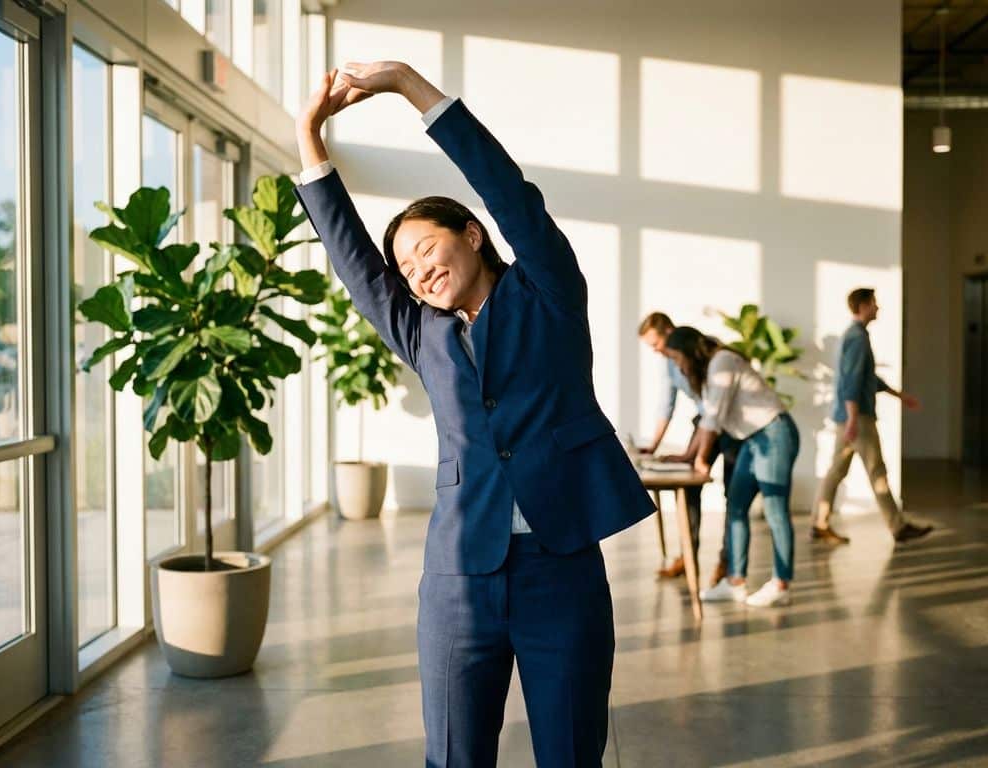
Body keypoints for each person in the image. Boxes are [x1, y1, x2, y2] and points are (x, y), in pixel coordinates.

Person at [295, 62, 655, 768]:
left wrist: (406, 85)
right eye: (405, 269)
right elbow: (350, 256)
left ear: (472, 235)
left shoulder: (547, 292)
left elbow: (508, 192)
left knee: (571, 755)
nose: (417, 271)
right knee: (455, 758)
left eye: (426, 248)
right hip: (458, 578)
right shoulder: (421, 333)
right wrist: (308, 136)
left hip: (562, 570)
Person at [665, 327, 799, 607]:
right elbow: (706, 419)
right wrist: (687, 456)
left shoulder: (722, 361)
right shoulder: (713, 367)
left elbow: (714, 419)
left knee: (775, 510)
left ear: (690, 350)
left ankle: (781, 583)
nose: (677, 365)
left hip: (773, 433)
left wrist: (700, 460)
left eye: (677, 357)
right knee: (736, 505)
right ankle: (735, 581)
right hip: (751, 439)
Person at [812, 288, 932, 545]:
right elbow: (852, 381)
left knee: (836, 470)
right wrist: (854, 418)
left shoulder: (854, 335)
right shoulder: (857, 338)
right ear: (864, 306)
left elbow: (867, 378)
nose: (878, 308)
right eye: (874, 303)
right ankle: (898, 527)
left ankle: (819, 522)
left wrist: (899, 396)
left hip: (848, 415)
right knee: (877, 471)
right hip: (858, 417)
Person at [638, 312, 741, 585]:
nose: (656, 351)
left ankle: (726, 562)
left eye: (655, 343)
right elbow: (666, 405)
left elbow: (715, 409)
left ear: (669, 331)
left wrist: (701, 455)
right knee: (689, 485)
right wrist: (653, 446)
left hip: (727, 425)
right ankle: (687, 556)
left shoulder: (707, 351)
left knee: (733, 494)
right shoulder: (668, 363)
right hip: (704, 423)